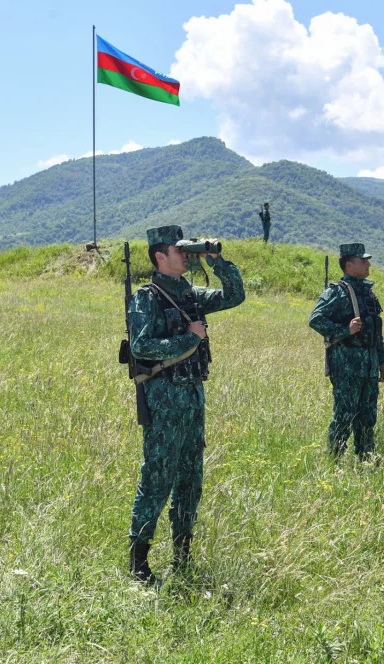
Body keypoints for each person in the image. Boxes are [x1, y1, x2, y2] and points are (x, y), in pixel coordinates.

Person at [127, 225, 245, 584]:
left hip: (193, 397)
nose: (185, 254)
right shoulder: (147, 297)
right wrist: (186, 339)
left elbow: (235, 295)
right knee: (158, 476)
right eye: (178, 250)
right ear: (159, 256)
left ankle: (182, 555)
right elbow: (141, 346)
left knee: (191, 478)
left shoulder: (192, 293)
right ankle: (139, 563)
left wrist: (218, 261)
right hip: (164, 399)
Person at [308, 243, 384, 460]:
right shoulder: (336, 292)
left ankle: (366, 458)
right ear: (349, 265)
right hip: (347, 366)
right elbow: (315, 320)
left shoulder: (368, 293)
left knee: (367, 416)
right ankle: (334, 460)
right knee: (344, 415)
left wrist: (382, 362)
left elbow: (376, 333)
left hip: (369, 366)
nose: (368, 264)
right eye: (363, 261)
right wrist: (346, 330)